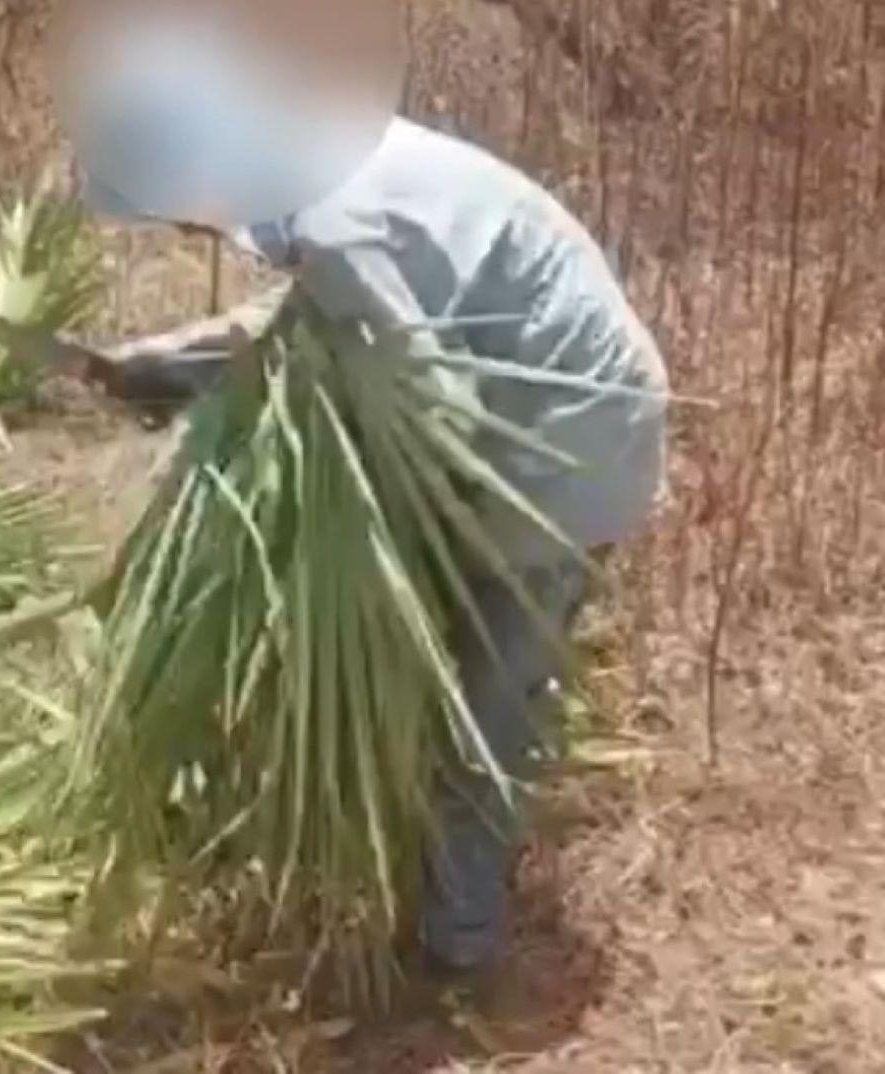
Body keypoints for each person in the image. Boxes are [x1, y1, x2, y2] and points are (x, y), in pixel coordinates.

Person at [72, 104, 669, 979]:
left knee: (488, 695)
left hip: (562, 441)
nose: (187, 232)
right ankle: (398, 871)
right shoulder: (316, 150)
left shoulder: (329, 214)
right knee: (454, 671)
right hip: (543, 410)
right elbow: (329, 314)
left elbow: (428, 398)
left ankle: (456, 946)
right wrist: (164, 359)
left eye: (174, 214)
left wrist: (352, 528)